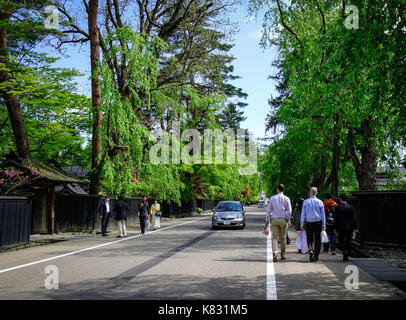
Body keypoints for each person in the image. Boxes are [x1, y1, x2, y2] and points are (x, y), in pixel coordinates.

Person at [265, 184, 292, 262]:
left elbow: (269, 210)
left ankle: (275, 252)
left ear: (277, 189)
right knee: (283, 237)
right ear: (283, 190)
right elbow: (289, 211)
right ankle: (283, 255)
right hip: (283, 220)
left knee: (274, 237)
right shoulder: (287, 198)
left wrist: (267, 219)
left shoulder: (272, 198)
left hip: (274, 220)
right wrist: (288, 218)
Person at [301, 187, 326, 262]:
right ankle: (316, 256)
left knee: (309, 238)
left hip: (309, 222)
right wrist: (324, 225)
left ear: (310, 192)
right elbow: (323, 214)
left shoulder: (305, 202)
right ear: (316, 193)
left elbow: (303, 214)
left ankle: (311, 249)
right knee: (317, 239)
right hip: (318, 222)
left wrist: (302, 224)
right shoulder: (320, 202)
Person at [334, 193, 358, 262]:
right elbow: (354, 218)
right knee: (348, 242)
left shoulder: (337, 208)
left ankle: (344, 252)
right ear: (346, 199)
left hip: (340, 227)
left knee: (341, 241)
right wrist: (355, 228)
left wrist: (335, 228)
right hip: (349, 227)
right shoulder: (350, 207)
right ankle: (346, 256)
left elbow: (335, 219)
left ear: (340, 199)